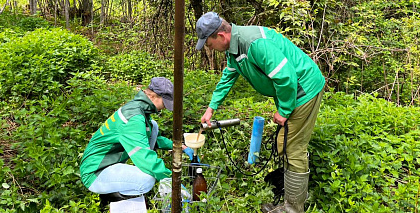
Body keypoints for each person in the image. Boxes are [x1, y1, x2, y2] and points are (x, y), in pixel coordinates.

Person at [196, 12, 325, 213]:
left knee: (293, 148)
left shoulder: (255, 44)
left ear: (221, 36)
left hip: (303, 91)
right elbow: (227, 79)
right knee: (285, 144)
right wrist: (211, 108)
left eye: (209, 44)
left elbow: (286, 77)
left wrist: (284, 110)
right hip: (293, 92)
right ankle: (296, 194)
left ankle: (293, 208)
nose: (209, 49)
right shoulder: (234, 49)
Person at [80, 77, 194, 204]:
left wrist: (180, 147)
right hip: (96, 173)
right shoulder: (133, 118)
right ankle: (113, 198)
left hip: (109, 163)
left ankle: (126, 184)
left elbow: (153, 138)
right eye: (164, 102)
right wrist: (171, 179)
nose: (165, 108)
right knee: (147, 180)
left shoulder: (139, 109)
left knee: (153, 126)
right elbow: (144, 156)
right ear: (152, 97)